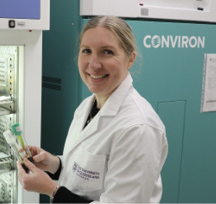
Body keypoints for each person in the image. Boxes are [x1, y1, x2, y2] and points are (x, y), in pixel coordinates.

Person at [17, 16, 168, 203]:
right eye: (86, 51)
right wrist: (55, 164)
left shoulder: (138, 128)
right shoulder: (88, 105)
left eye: (107, 52)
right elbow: (91, 172)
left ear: (130, 59)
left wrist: (51, 190)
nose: (94, 64)